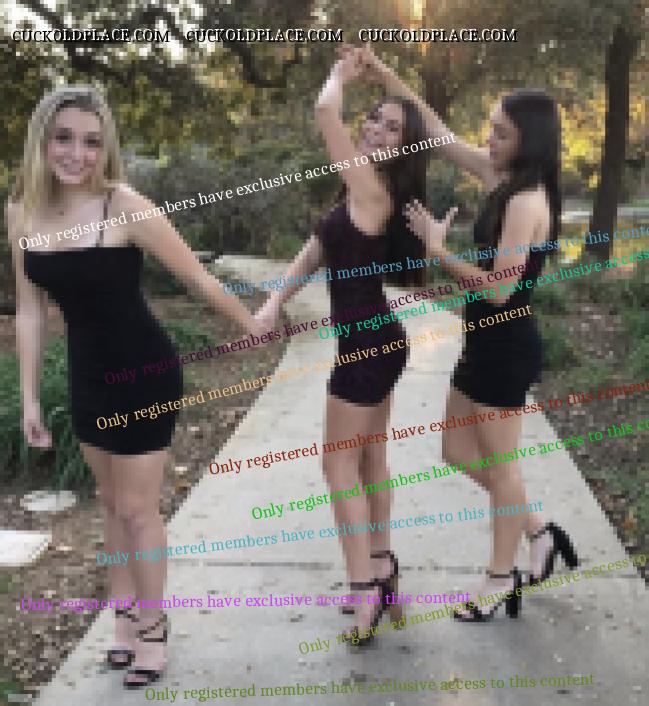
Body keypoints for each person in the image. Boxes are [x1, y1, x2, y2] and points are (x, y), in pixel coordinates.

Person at [7, 85, 261, 687]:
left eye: (92, 142)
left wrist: (254, 327)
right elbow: (31, 310)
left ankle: (153, 627)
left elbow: (199, 280)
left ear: (107, 149)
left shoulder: (122, 205)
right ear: (42, 139)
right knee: (110, 503)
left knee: (138, 509)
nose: (77, 154)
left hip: (144, 372)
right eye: (64, 138)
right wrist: (31, 398)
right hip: (88, 375)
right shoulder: (22, 208)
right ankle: (122, 621)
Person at [357, 46, 578, 620]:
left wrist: (438, 251)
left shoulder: (527, 202)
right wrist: (387, 76)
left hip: (506, 347)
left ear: (529, 140)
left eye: (502, 133)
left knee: (503, 470)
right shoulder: (501, 178)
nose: (489, 139)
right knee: (455, 451)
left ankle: (499, 579)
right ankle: (538, 529)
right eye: (492, 128)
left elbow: (501, 290)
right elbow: (437, 133)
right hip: (481, 343)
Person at [255, 49, 430, 644]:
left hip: (366, 347)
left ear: (405, 146)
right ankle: (381, 566)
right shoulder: (356, 190)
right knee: (370, 460)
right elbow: (313, 252)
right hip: (378, 339)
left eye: (393, 127)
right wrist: (274, 302)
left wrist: (341, 76)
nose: (376, 128)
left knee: (337, 466)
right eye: (375, 118)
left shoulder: (371, 186)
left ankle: (363, 589)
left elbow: (325, 110)